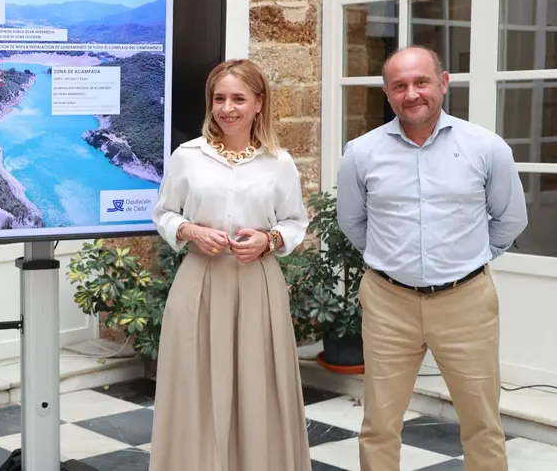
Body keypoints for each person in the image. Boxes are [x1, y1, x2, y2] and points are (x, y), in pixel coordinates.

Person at [336, 45, 528, 471]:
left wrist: (469, 260)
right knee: (379, 424)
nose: (411, 94)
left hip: (466, 301)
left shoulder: (486, 147)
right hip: (389, 303)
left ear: (443, 83)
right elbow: (353, 222)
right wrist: (394, 261)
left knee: (482, 423)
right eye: (399, 85)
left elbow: (510, 219)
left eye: (421, 82)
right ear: (387, 93)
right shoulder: (362, 153)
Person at [149, 58, 312, 470]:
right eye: (219, 98)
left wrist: (268, 239)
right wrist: (190, 231)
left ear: (259, 103)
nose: (227, 108)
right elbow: (164, 213)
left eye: (238, 98)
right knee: (195, 384)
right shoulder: (188, 157)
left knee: (258, 385)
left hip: (257, 284)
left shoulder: (280, 162)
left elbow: (295, 221)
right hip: (200, 282)